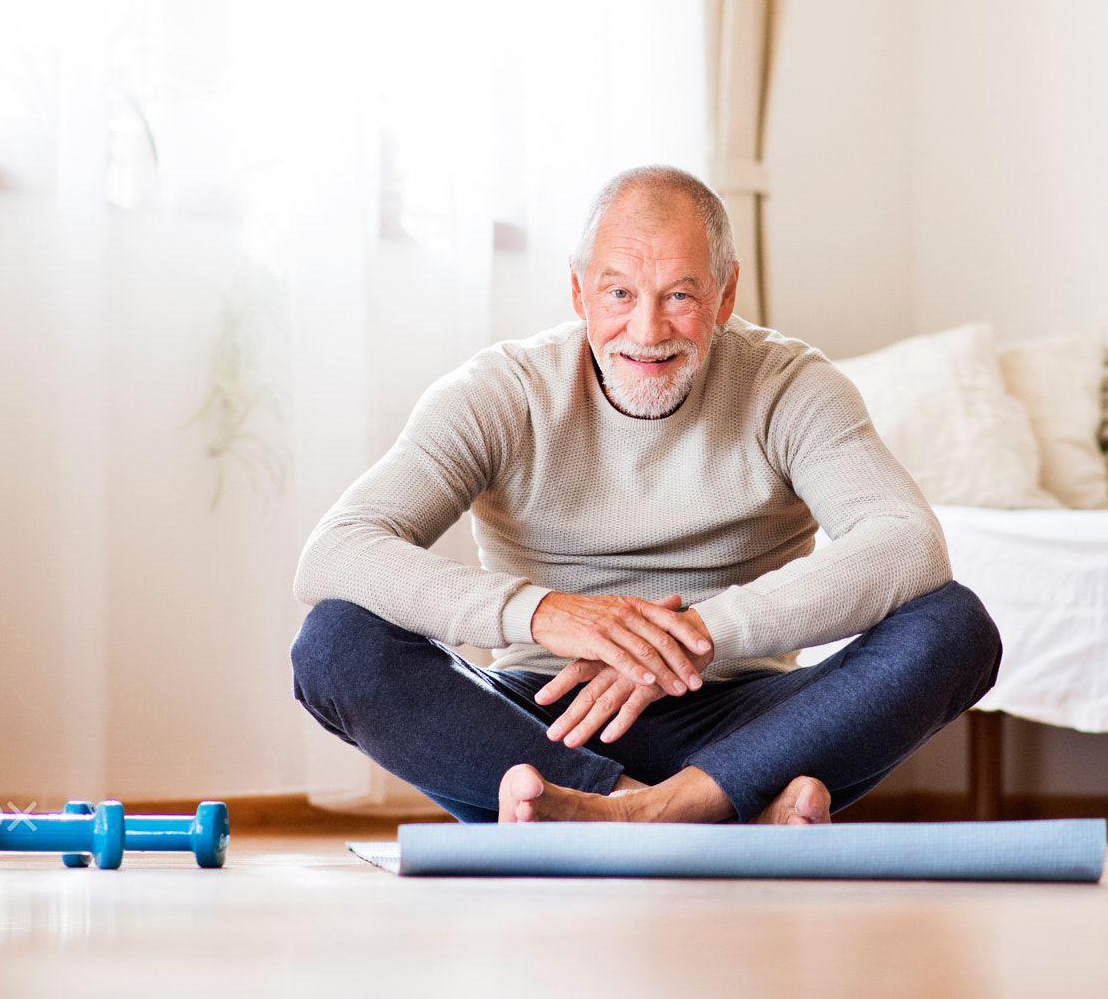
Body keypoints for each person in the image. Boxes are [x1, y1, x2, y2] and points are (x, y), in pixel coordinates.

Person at [290, 165, 1000, 825]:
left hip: (744, 719)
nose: (648, 329)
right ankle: (695, 810)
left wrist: (699, 636)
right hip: (545, 718)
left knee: (954, 626)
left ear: (725, 293)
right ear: (578, 292)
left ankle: (651, 810)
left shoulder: (790, 386)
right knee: (334, 643)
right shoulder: (501, 391)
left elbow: (906, 540)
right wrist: (543, 613)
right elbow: (336, 551)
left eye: (681, 295)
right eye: (619, 292)